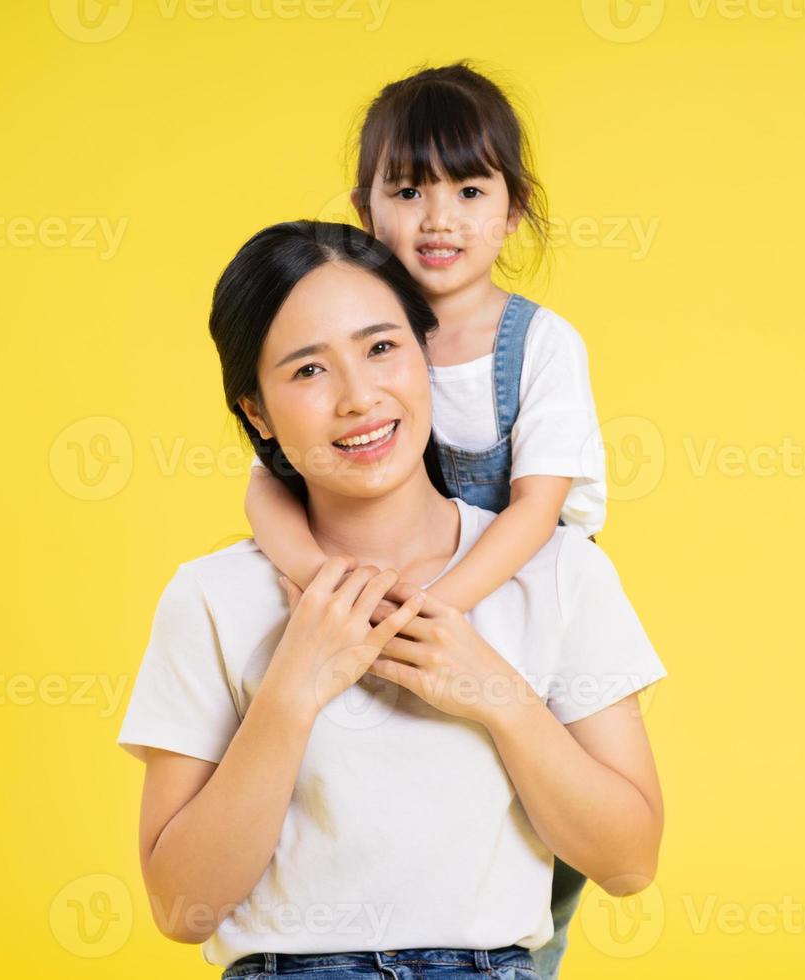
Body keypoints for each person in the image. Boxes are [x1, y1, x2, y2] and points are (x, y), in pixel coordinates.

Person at [117, 220, 665, 978]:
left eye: (381, 348)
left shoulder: (560, 573)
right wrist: (289, 695)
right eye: (308, 371)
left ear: (427, 355)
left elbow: (630, 862)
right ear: (257, 413)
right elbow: (182, 910)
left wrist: (495, 693)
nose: (359, 397)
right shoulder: (212, 597)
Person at [244, 67, 609, 975]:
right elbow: (265, 489)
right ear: (368, 209)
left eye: (470, 190)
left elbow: (537, 508)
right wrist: (317, 588)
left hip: (517, 587)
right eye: (409, 191)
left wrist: (432, 610)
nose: (438, 219)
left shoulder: (540, 343)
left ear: (515, 209)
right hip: (393, 586)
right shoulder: (344, 328)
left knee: (541, 818)